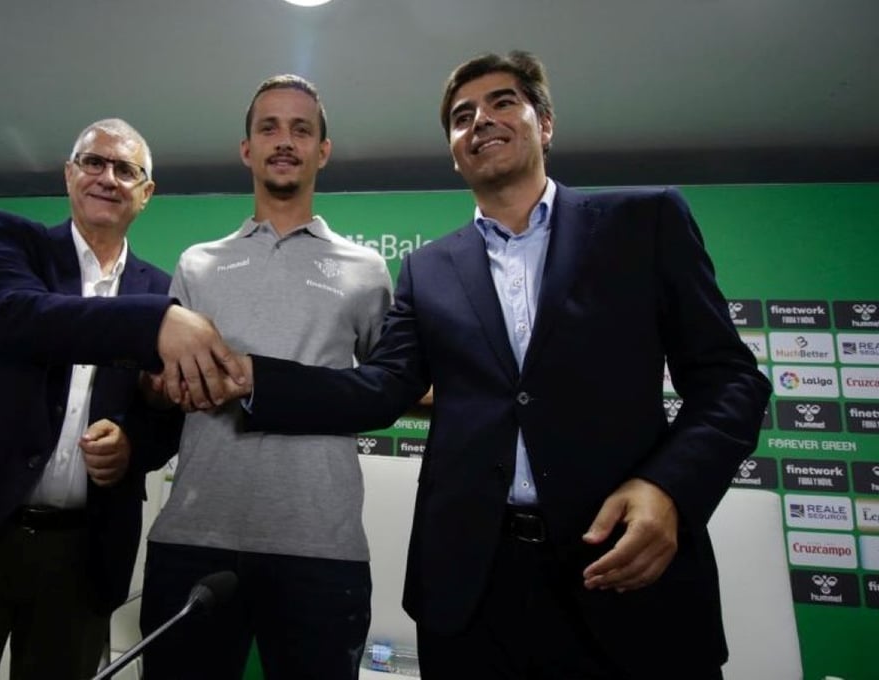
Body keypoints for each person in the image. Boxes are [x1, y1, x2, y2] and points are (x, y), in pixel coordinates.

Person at [229, 52, 772, 679]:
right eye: (462, 116)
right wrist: (249, 378)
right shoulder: (429, 269)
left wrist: (668, 488)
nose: (481, 120)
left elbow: (731, 381)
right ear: (454, 151)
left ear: (546, 123)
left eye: (502, 103)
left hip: (619, 570)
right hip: (472, 591)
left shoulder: (644, 222)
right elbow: (383, 388)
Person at [0, 118, 231, 679]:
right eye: (93, 162)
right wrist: (155, 323)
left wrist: (133, 442)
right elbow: (17, 316)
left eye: (126, 169)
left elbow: (167, 419)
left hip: (83, 553)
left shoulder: (163, 290)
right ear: (69, 174)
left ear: (147, 193)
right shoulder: (10, 239)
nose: (107, 177)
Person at [138, 75, 392, 680]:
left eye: (301, 130)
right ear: (246, 148)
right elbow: (160, 387)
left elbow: (387, 389)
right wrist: (161, 385)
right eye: (269, 128)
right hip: (193, 536)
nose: (284, 141)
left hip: (322, 544)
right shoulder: (197, 263)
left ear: (322, 151)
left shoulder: (367, 269)